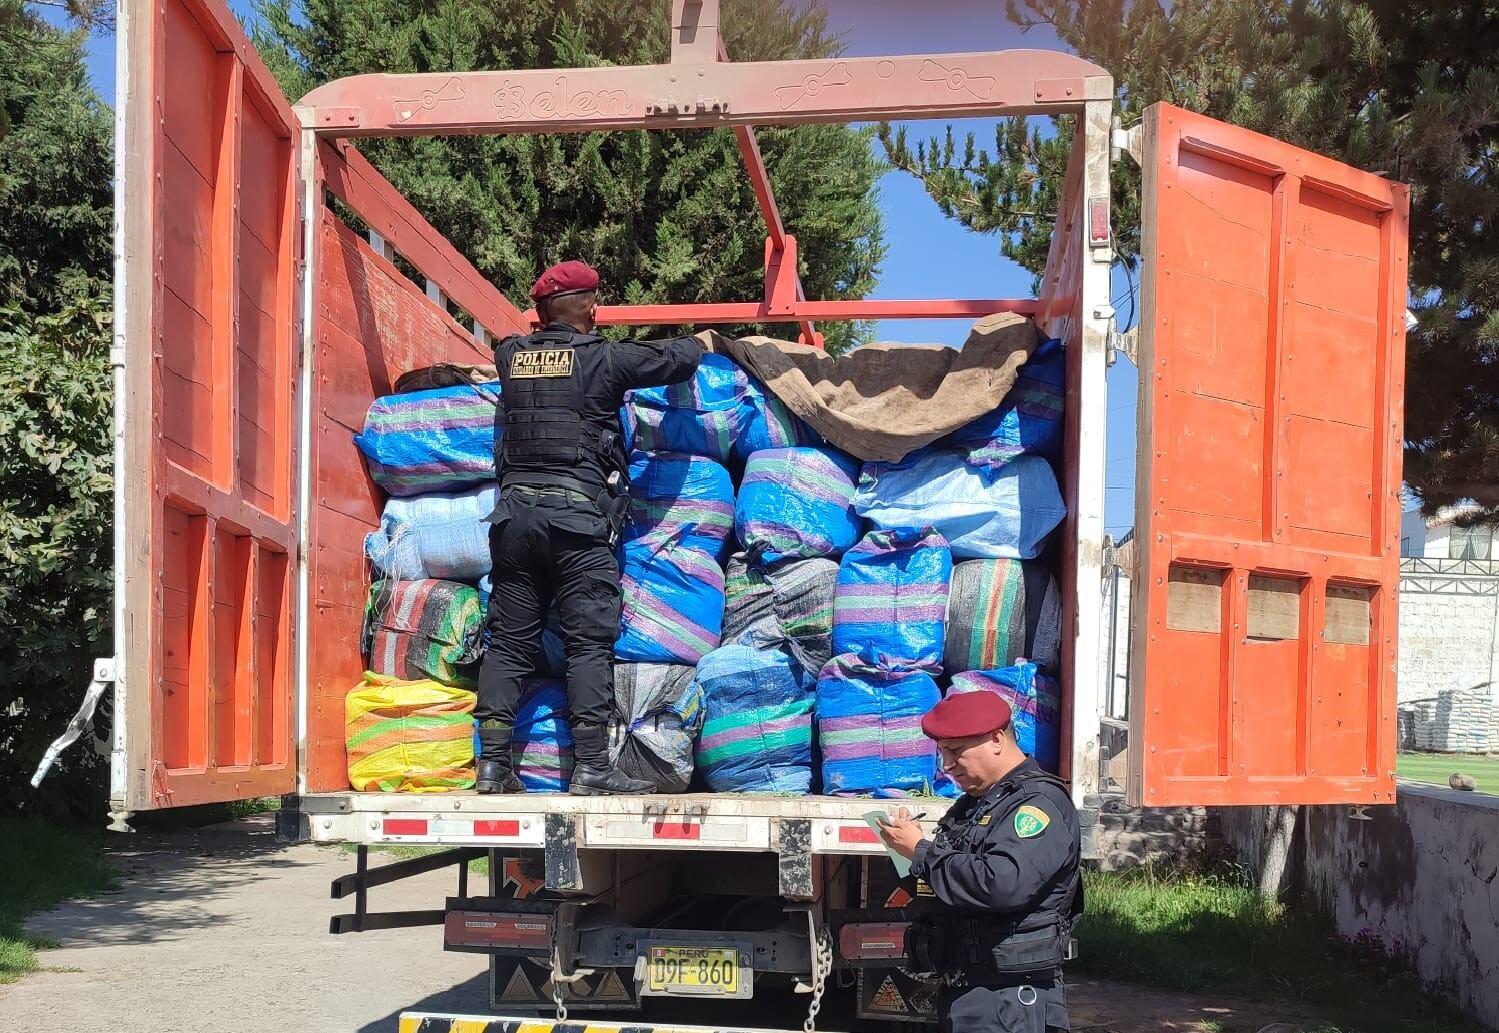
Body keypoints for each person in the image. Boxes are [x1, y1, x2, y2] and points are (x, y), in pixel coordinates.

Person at [473, 260, 703, 796]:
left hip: (513, 521)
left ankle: (493, 767)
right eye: (594, 303)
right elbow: (678, 360)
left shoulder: (509, 356)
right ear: (588, 307)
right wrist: (700, 342)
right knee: (588, 645)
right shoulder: (603, 358)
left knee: (509, 643)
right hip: (576, 524)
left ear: (540, 310)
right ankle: (594, 768)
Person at [877, 691, 1082, 1033]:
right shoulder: (975, 806)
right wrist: (905, 855)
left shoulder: (1037, 805)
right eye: (942, 753)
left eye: (956, 751)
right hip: (968, 992)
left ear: (997, 740)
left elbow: (1001, 885)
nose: (947, 765)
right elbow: (940, 889)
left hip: (1009, 1000)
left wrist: (923, 852)